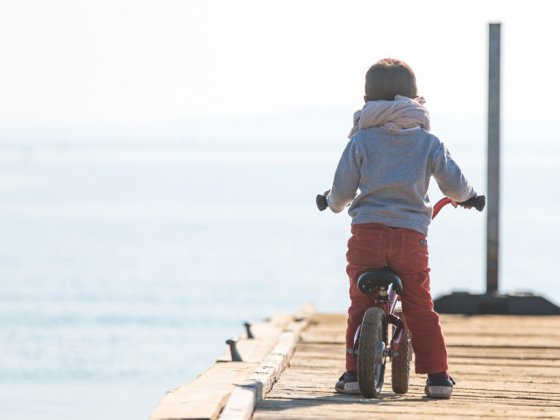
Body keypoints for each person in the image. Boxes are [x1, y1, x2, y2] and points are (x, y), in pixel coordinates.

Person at [326, 58, 476, 399]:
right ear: (415, 100)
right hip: (411, 238)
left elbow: (342, 191)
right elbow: (454, 185)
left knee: (360, 305)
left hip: (367, 236)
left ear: (366, 102)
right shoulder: (428, 142)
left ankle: (352, 374)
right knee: (420, 306)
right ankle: (438, 377)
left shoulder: (361, 141)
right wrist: (470, 197)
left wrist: (332, 204)